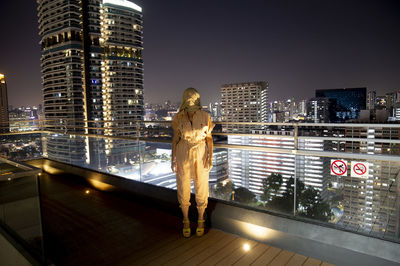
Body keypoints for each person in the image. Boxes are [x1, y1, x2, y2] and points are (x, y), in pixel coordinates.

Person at [171, 88, 214, 237]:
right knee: (183, 187)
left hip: (201, 151)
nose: (191, 100)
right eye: (188, 97)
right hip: (183, 151)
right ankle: (186, 219)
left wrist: (210, 157)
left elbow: (209, 139)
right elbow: (175, 139)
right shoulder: (179, 117)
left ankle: (201, 219)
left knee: (201, 186)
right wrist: (173, 159)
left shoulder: (205, 116)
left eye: (193, 97)